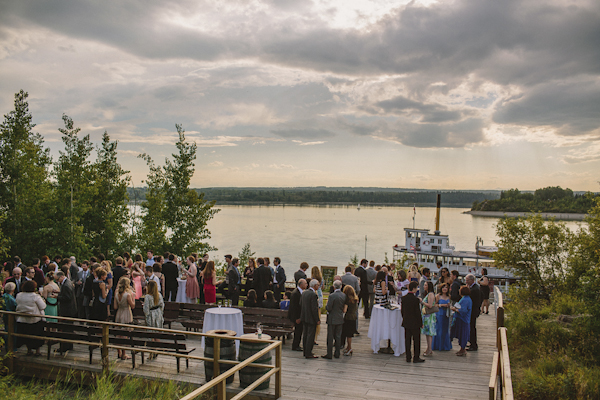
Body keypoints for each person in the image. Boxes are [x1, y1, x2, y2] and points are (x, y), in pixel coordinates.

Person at [15, 280, 46, 356]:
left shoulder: (19, 295)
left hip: (22, 319)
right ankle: (37, 351)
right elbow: (43, 306)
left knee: (26, 336)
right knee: (36, 336)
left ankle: (29, 350)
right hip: (34, 319)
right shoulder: (35, 296)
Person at [401, 281, 424, 363]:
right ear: (414, 289)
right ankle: (416, 357)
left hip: (407, 321)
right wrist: (421, 322)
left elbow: (402, 311)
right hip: (415, 323)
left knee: (407, 340)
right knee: (416, 340)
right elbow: (417, 312)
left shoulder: (403, 298)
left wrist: (404, 318)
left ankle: (408, 357)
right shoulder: (415, 300)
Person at [322, 280, 346, 359]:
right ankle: (337, 353)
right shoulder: (344, 295)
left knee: (330, 336)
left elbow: (329, 308)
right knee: (338, 336)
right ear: (341, 286)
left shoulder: (332, 296)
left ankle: (329, 353)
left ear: (333, 286)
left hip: (332, 318)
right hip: (340, 317)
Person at [114, 277, 135, 359]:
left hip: (119, 313)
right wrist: (133, 297)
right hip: (126, 312)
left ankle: (119, 352)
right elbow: (132, 306)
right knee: (125, 334)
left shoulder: (117, 293)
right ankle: (124, 353)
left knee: (119, 333)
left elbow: (115, 307)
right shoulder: (127, 295)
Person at [143, 280, 164, 360]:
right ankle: (157, 349)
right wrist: (160, 313)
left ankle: (152, 352)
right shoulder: (159, 295)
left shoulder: (147, 297)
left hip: (151, 314)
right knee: (157, 333)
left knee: (151, 334)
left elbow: (146, 309)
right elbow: (162, 305)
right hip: (158, 313)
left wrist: (147, 316)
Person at [300, 279, 320, 359]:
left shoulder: (304, 293)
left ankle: (305, 351)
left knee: (305, 334)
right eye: (318, 285)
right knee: (310, 336)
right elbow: (314, 308)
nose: (318, 286)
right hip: (311, 318)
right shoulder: (313, 295)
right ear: (314, 285)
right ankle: (309, 353)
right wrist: (317, 319)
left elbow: (300, 303)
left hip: (304, 316)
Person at [451, 285, 473, 356]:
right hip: (462, 319)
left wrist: (454, 309)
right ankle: (461, 349)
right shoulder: (465, 298)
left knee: (463, 334)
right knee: (461, 334)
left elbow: (463, 310)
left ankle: (463, 349)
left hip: (463, 320)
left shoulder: (465, 300)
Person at [432, 283, 452, 351]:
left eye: (446, 287)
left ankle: (445, 345)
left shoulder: (449, 296)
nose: (445, 289)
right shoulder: (438, 296)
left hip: (446, 314)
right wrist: (442, 305)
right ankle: (438, 345)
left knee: (445, 329)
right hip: (439, 313)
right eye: (443, 287)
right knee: (439, 329)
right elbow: (434, 305)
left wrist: (449, 306)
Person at [465, 274, 482, 351]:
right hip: (474, 310)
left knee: (472, 328)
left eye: (467, 280)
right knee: (471, 327)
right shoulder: (475, 288)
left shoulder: (474, 289)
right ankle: (472, 343)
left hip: (473, 311)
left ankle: (474, 345)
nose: (466, 282)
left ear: (472, 280)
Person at [289, 279, 306, 352]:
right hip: (297, 316)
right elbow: (294, 307)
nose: (306, 285)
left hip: (299, 316)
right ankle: (295, 345)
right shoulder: (296, 293)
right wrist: (297, 318)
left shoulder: (299, 292)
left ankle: (297, 344)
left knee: (299, 331)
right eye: (305, 284)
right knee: (298, 331)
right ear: (301, 284)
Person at [421, 281, 437, 357]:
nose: (424, 286)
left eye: (425, 285)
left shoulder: (430, 294)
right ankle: (428, 348)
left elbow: (430, 305)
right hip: (426, 315)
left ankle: (429, 349)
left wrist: (422, 302)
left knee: (429, 333)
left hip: (429, 316)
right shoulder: (428, 294)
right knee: (428, 333)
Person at [341, 285, 358, 356]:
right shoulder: (355, 299)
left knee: (347, 334)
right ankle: (348, 347)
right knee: (350, 334)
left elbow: (344, 310)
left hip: (348, 317)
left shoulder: (347, 300)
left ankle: (349, 348)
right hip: (353, 317)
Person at [311, 266, 324, 345]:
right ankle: (315, 337)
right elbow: (323, 287)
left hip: (316, 294)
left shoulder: (313, 279)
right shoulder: (321, 278)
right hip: (320, 294)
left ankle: (313, 338)